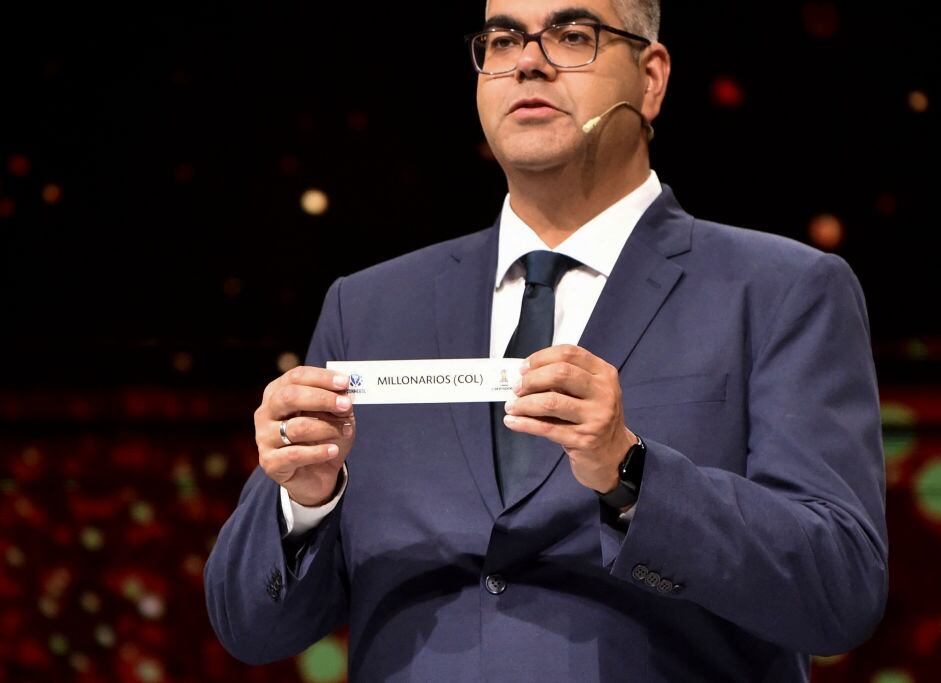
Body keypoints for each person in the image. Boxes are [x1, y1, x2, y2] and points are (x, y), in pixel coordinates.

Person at [204, 0, 889, 680]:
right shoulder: (370, 306)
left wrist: (631, 473)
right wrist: (305, 501)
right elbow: (252, 627)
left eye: (571, 35)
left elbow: (839, 589)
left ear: (651, 78)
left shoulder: (781, 290)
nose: (528, 61)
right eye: (502, 40)